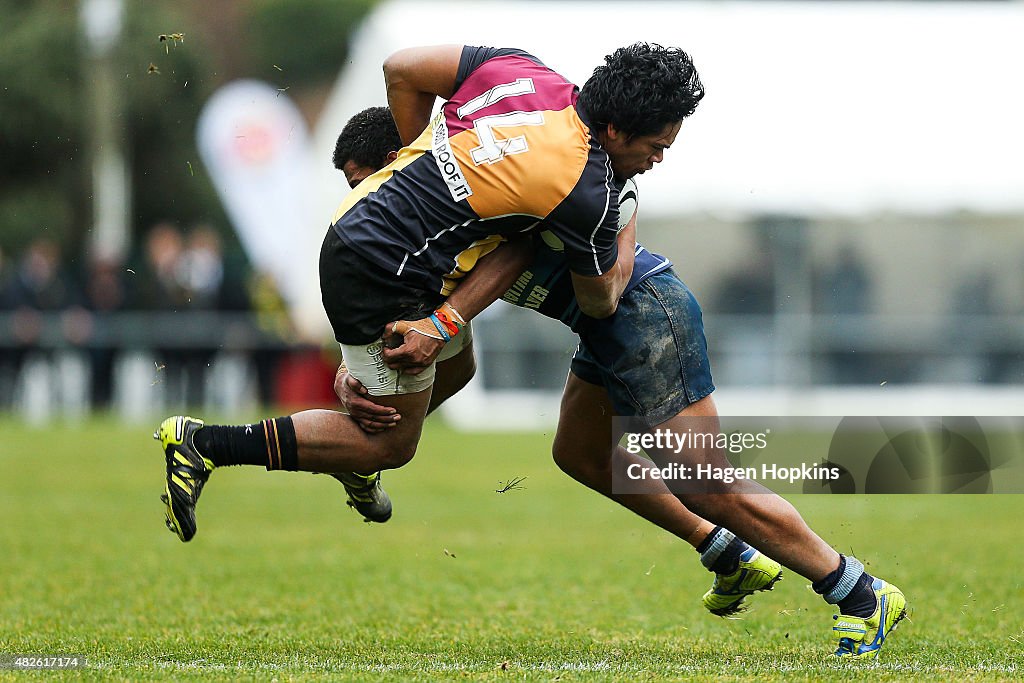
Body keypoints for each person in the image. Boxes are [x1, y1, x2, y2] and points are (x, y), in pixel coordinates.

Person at [334, 107, 907, 658]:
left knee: (706, 483)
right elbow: (450, 337)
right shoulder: (438, 219)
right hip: (606, 325)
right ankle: (725, 549)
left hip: (646, 312)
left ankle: (859, 591)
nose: (359, 203)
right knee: (581, 452)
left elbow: (562, 230)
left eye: (363, 184)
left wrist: (619, 209)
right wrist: (360, 370)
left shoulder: (470, 183)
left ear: (396, 161)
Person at [154, 43, 701, 542]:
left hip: (372, 238)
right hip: (382, 266)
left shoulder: (522, 73)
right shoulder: (586, 191)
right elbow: (597, 300)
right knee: (391, 445)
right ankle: (206, 445)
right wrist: (625, 228)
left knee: (457, 371)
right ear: (615, 130)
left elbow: (401, 68)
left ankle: (353, 437)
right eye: (656, 147)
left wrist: (419, 159)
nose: (658, 160)